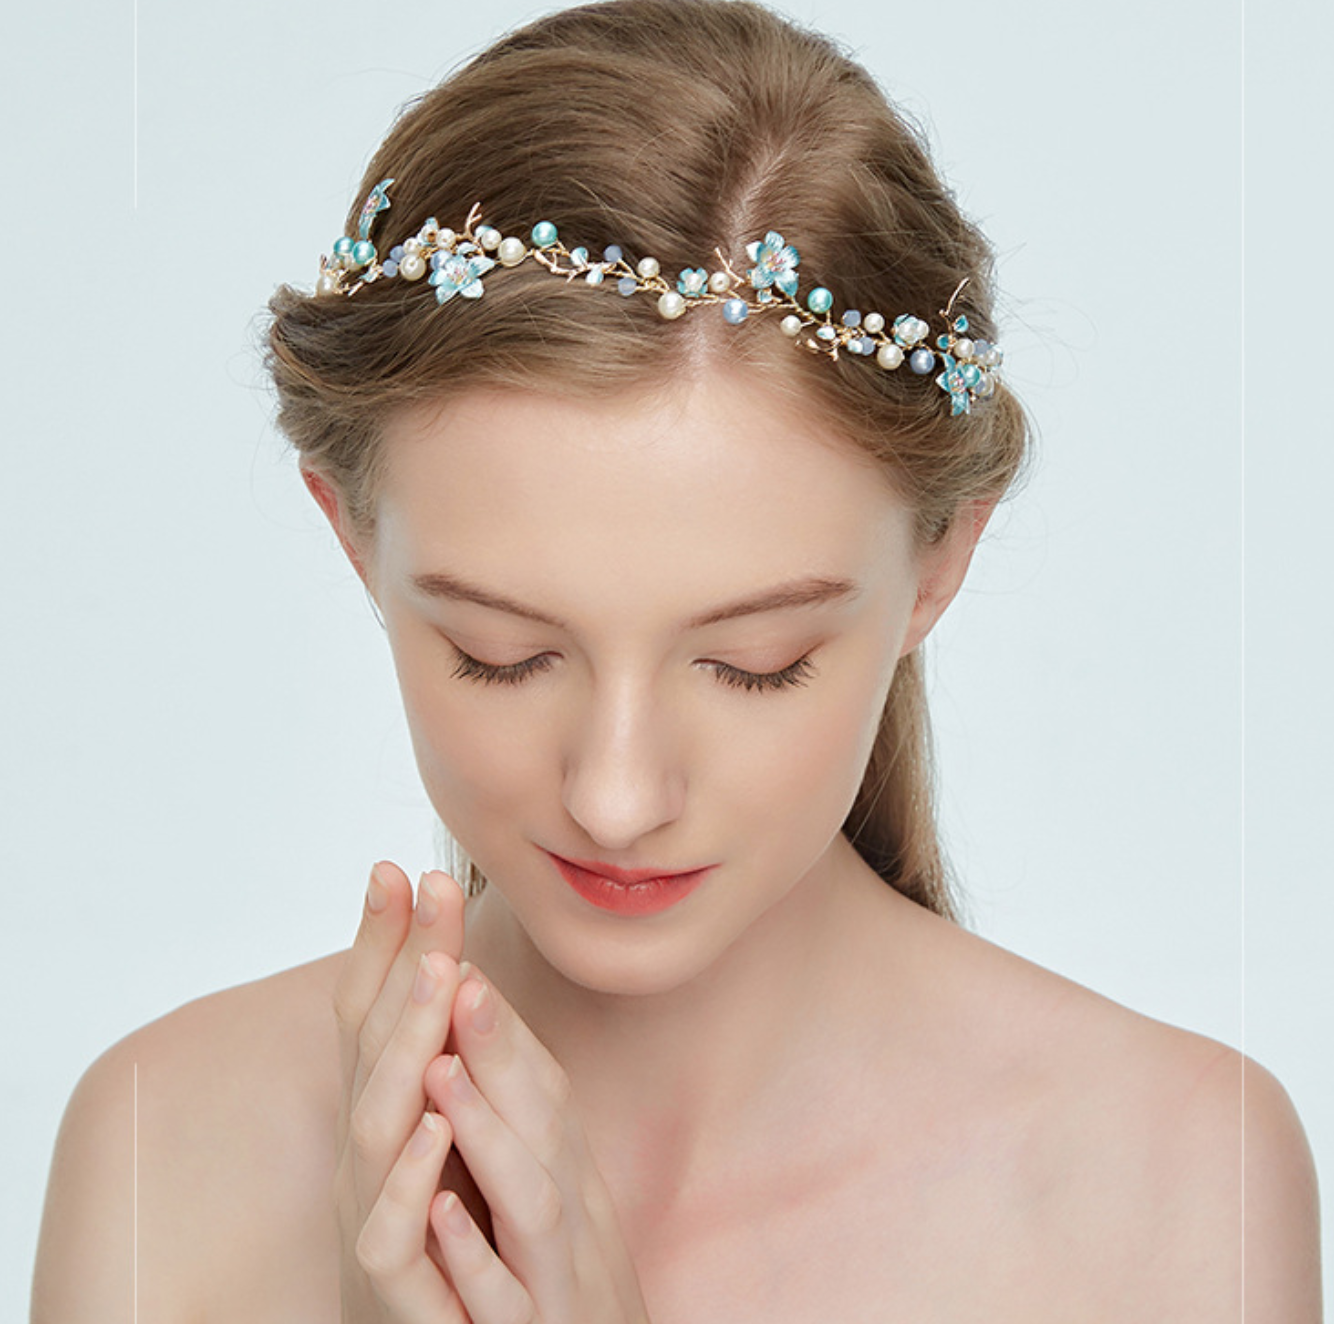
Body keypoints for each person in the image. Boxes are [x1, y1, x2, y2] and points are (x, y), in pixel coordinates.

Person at [30, 1, 1320, 1320]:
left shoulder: (1170, 1184)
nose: (616, 795)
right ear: (354, 539)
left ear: (937, 564)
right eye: (502, 654)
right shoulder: (163, 1146)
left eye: (752, 663)